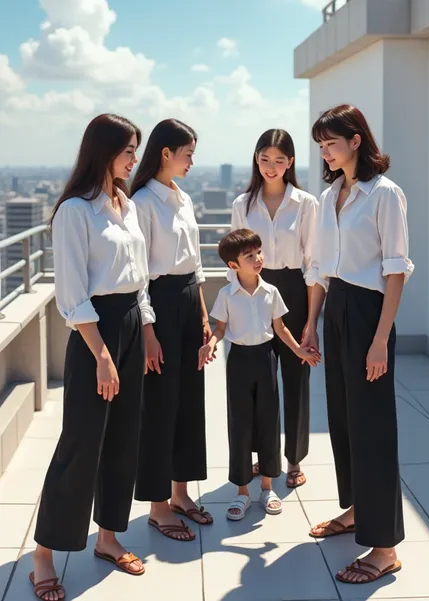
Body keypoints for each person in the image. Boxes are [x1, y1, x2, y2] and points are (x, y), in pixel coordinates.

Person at [32, 114, 156, 601]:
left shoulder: (126, 204)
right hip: (94, 332)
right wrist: (102, 355)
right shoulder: (75, 212)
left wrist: (146, 328)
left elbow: (139, 276)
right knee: (82, 441)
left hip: (128, 323)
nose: (134, 159)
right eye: (128, 150)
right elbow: (72, 294)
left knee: (124, 437)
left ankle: (107, 538)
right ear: (103, 152)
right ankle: (44, 554)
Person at [302, 104, 414, 585]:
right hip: (338, 308)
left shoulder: (384, 194)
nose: (324, 152)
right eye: (320, 145)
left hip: (370, 313)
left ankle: (385, 547)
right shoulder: (330, 195)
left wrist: (381, 339)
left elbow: (395, 270)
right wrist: (311, 323)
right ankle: (355, 513)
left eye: (330, 142)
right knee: (345, 421)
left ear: (355, 140)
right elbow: (323, 265)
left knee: (372, 429)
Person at [199, 229, 319, 521]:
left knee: (268, 420)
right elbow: (219, 329)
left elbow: (281, 329)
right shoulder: (227, 295)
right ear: (233, 265)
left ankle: (267, 487)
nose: (258, 259)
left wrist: (299, 351)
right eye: (249, 256)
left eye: (258, 253)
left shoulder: (271, 292)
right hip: (239, 360)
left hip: (266, 358)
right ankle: (242, 492)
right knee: (239, 424)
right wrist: (210, 345)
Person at [131, 118, 212, 542]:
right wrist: (148, 332)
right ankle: (157, 506)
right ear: (166, 153)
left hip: (186, 301)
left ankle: (181, 493)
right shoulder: (142, 202)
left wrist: (202, 317)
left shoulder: (183, 198)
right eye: (187, 153)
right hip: (158, 306)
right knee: (159, 407)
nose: (192, 162)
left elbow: (196, 266)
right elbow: (139, 275)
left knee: (189, 403)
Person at [231, 129, 319, 489]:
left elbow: (314, 263)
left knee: (296, 378)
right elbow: (233, 260)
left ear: (291, 163)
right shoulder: (242, 204)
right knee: (257, 380)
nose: (271, 167)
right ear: (256, 159)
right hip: (253, 292)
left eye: (279, 160)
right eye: (265, 159)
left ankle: (294, 458)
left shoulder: (306, 204)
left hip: (295, 291)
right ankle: (260, 457)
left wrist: (312, 320)